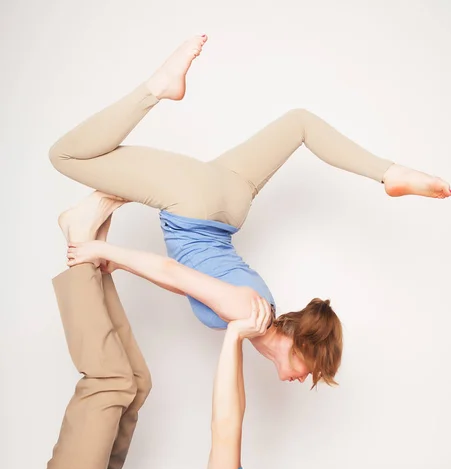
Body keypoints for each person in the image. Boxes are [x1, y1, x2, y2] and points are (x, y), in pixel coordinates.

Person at [49, 35, 451, 388]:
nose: (303, 380)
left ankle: (390, 174)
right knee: (64, 155)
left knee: (300, 124)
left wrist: (117, 265)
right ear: (301, 346)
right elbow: (174, 274)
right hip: (196, 205)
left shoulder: (260, 313)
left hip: (227, 199)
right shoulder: (250, 313)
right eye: (311, 371)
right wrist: (104, 253)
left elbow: (196, 273)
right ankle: (158, 87)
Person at [32, 216, 350, 469]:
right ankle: (92, 267)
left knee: (111, 382)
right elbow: (235, 413)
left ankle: (79, 250)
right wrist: (240, 334)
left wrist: (234, 336)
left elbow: (225, 427)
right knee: (137, 383)